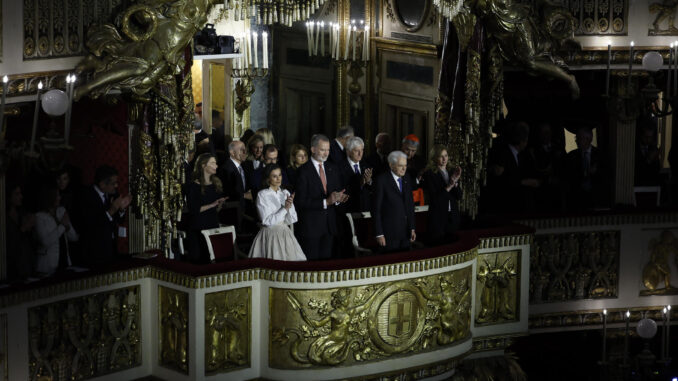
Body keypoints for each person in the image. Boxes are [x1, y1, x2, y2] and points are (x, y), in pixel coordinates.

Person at [294, 134, 349, 259]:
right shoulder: (303, 172)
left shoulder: (333, 169)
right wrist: (326, 202)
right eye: (322, 150)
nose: (326, 153)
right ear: (313, 149)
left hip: (330, 227)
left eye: (328, 150)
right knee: (312, 269)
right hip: (311, 229)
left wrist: (338, 199)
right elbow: (300, 202)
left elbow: (336, 193)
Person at [248, 164, 306, 261]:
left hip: (285, 233)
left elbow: (292, 219)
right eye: (274, 176)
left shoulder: (285, 192)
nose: (278, 179)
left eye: (280, 175)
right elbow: (267, 221)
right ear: (268, 178)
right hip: (270, 234)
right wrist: (284, 209)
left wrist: (289, 206)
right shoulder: (262, 194)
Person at [80, 165, 131, 266]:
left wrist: (122, 209)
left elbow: (118, 220)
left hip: (110, 249)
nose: (116, 186)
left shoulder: (112, 194)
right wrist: (112, 210)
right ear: (102, 184)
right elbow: (92, 226)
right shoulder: (86, 196)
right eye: (113, 183)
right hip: (93, 253)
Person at [485, 122, 540, 213]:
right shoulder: (503, 154)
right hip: (505, 207)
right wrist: (524, 182)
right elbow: (502, 182)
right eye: (525, 138)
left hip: (517, 206)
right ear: (522, 140)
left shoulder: (522, 156)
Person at [186, 153, 227, 263]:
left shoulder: (216, 183)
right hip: (198, 227)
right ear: (203, 165)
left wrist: (219, 204)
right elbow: (194, 210)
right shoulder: (194, 186)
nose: (216, 166)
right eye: (213, 163)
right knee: (201, 261)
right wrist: (212, 204)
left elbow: (216, 209)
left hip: (212, 224)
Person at [372, 151, 416, 253]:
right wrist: (379, 234)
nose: (404, 168)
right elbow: (376, 210)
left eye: (405, 165)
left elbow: (410, 205)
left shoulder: (407, 178)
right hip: (389, 234)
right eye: (401, 166)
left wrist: (412, 228)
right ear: (391, 165)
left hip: (406, 233)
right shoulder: (381, 180)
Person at [422, 145, 462, 245]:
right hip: (437, 219)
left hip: (452, 217)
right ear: (435, 158)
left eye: (446, 155)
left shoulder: (452, 171)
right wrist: (449, 186)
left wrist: (455, 183)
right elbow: (436, 200)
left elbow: (459, 196)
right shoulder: (429, 174)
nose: (444, 159)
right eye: (441, 156)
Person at [34, 187, 79, 275]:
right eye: (57, 195)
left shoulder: (61, 211)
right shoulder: (39, 217)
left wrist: (67, 227)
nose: (59, 198)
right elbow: (45, 242)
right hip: (48, 267)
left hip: (65, 262)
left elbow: (74, 237)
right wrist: (62, 226)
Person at [564, 127, 607, 210]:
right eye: (576, 138)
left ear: (588, 139)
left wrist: (596, 172)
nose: (576, 141)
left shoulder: (600, 155)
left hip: (596, 196)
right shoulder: (571, 155)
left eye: (579, 138)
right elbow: (569, 176)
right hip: (577, 197)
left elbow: (607, 174)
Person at [218, 141, 252, 231]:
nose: (245, 152)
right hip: (233, 212)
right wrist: (244, 195)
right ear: (232, 153)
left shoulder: (246, 166)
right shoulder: (225, 169)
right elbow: (226, 192)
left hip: (245, 210)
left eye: (245, 149)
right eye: (241, 150)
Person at [6, 183, 35, 281]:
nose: (21, 197)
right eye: (17, 194)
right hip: (11, 267)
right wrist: (23, 229)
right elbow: (10, 244)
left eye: (20, 193)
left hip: (26, 264)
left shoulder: (22, 214)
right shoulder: (4, 218)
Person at [338, 136, 373, 213]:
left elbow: (373, 189)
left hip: (365, 210)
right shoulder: (339, 168)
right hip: (348, 210)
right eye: (357, 151)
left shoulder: (366, 165)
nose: (360, 154)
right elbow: (341, 190)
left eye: (362, 150)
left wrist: (369, 181)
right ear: (348, 151)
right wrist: (360, 184)